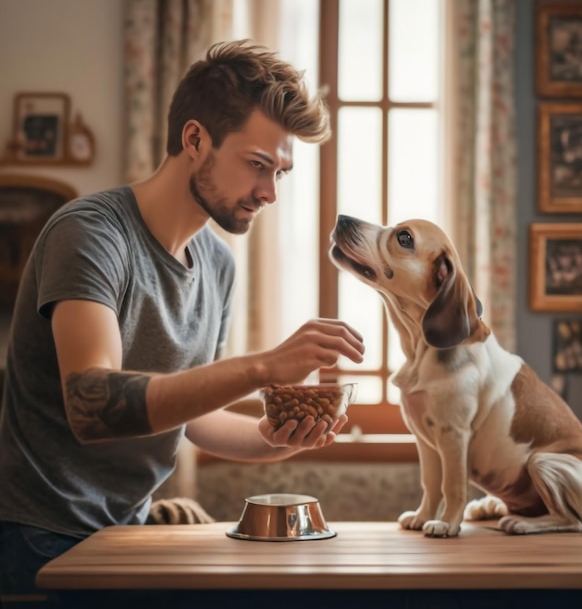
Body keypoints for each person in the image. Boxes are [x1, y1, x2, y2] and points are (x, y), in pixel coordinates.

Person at [0, 39, 365, 603]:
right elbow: (90, 404)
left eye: (280, 174)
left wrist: (275, 440)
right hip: (39, 539)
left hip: (124, 533)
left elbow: (191, 414)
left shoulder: (218, 265)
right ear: (195, 140)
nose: (269, 192)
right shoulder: (91, 234)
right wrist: (263, 366)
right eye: (257, 165)